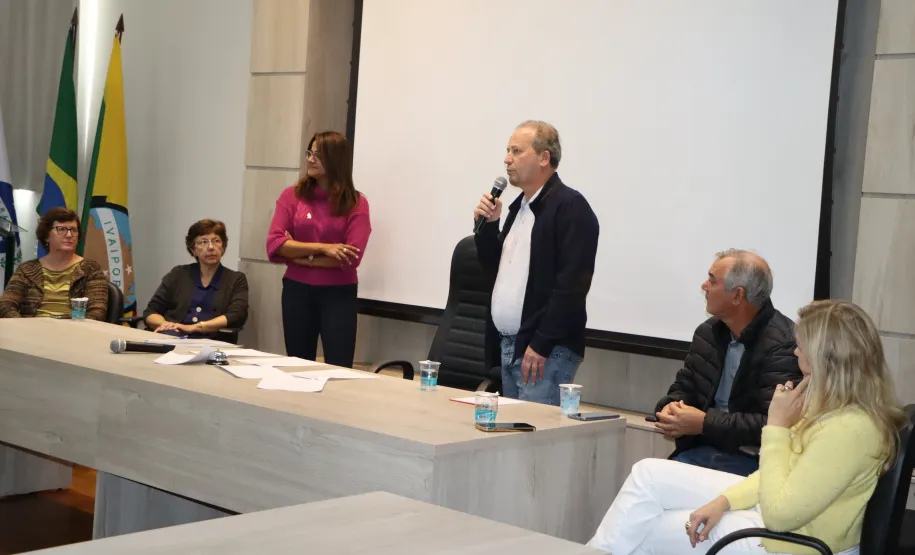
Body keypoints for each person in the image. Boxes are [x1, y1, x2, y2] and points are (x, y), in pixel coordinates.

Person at [588, 299, 908, 555]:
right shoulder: (833, 407)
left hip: (788, 544)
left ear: (826, 357)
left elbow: (779, 514)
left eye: (801, 346)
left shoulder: (848, 429)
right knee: (648, 474)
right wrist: (722, 502)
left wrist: (778, 428)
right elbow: (774, 481)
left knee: (648, 529)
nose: (795, 351)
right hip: (781, 525)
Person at [474, 120, 599, 405]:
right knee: (513, 439)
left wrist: (541, 343)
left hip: (545, 351)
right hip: (512, 346)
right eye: (507, 150)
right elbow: (495, 272)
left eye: (517, 151)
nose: (507, 159)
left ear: (544, 158)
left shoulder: (570, 207)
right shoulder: (520, 207)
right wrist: (487, 228)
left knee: (533, 441)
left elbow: (571, 286)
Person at [653, 249, 802, 476]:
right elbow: (686, 386)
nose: (704, 286)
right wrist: (670, 408)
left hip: (752, 462)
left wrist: (705, 423)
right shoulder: (708, 332)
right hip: (703, 450)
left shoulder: (784, 345)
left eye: (712, 281)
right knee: (649, 478)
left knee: (654, 482)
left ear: (737, 296)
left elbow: (774, 423)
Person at [266, 131, 371, 368]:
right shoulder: (291, 196)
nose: (310, 159)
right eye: (309, 153)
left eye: (318, 155)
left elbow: (349, 259)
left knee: (338, 367)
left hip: (339, 295)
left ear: (336, 160)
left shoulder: (356, 203)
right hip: (297, 292)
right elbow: (275, 244)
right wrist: (325, 248)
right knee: (298, 365)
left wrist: (299, 256)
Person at [143, 219, 248, 337]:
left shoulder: (236, 279)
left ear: (223, 247)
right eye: (203, 242)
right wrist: (165, 325)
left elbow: (236, 316)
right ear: (193, 250)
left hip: (211, 343)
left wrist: (193, 328)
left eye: (216, 241)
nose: (211, 247)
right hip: (172, 337)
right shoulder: (178, 274)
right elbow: (151, 311)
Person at [0, 207, 108, 319]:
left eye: (73, 230)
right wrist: (22, 326)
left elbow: (97, 311)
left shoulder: (90, 269)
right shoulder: (27, 269)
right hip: (32, 330)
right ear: (46, 236)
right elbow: (6, 304)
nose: (69, 235)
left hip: (74, 331)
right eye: (61, 229)